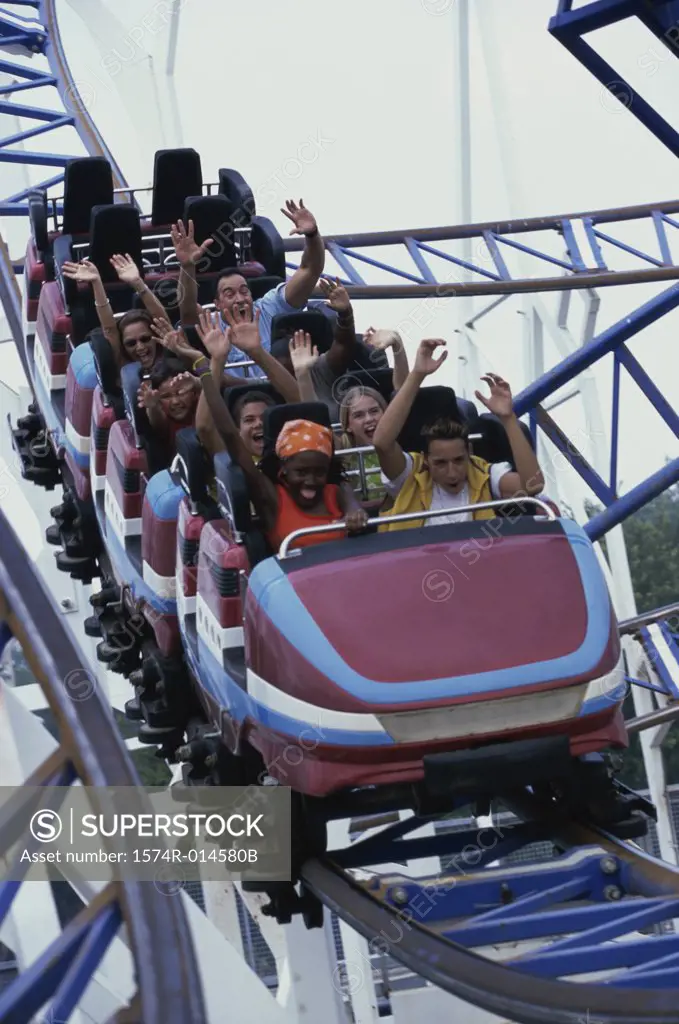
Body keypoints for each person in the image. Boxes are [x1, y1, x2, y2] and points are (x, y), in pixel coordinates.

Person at [191, 351, 369, 552]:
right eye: (301, 472)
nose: (310, 480)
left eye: (318, 472)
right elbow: (230, 435)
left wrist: (355, 512)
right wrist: (204, 369)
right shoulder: (271, 498)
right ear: (283, 469)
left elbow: (351, 502)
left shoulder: (337, 492)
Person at [372, 338, 544, 531]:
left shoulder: (483, 474)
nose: (452, 472)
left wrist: (508, 419)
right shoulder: (410, 474)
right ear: (426, 460)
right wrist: (417, 374)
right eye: (441, 463)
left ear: (469, 453)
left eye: (459, 460)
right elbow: (382, 444)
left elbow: (533, 486)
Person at [171, 198, 325, 379]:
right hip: (234, 401)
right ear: (217, 304)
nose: (240, 299)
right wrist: (188, 266)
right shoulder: (212, 324)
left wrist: (313, 235)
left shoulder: (269, 307)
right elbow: (187, 310)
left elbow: (310, 270)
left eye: (244, 291)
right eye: (229, 294)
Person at [152, 309, 300, 460]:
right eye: (249, 420)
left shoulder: (293, 449)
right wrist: (215, 360)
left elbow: (299, 402)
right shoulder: (241, 462)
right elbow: (204, 428)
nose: (258, 424)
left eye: (264, 418)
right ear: (238, 431)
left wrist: (257, 352)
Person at [62, 253, 170, 372]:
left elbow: (161, 319)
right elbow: (109, 328)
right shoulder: (122, 363)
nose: (140, 347)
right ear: (122, 347)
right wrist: (96, 282)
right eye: (131, 343)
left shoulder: (168, 353)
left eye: (145, 339)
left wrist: (137, 282)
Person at [276, 278, 359, 421]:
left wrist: (345, 314)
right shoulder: (266, 378)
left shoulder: (319, 368)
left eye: (299, 339)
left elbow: (343, 344)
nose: (291, 346)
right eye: (285, 339)